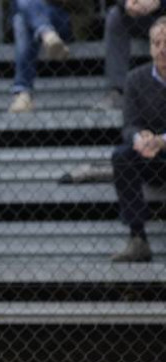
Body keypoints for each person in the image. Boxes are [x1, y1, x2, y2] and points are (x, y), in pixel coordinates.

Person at [110, 15, 166, 262]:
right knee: (122, 156)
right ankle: (137, 238)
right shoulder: (135, 78)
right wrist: (139, 138)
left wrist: (162, 140)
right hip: (150, 157)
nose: (162, 49)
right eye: (156, 43)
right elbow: (129, 125)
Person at [95, 0, 166, 110]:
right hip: (136, 14)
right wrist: (127, 3)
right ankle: (118, 91)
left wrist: (159, 3)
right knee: (115, 16)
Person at [8, 0, 73, 113]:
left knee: (24, 15)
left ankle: (23, 94)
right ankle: (47, 33)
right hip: (28, 16)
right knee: (21, 18)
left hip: (61, 17)